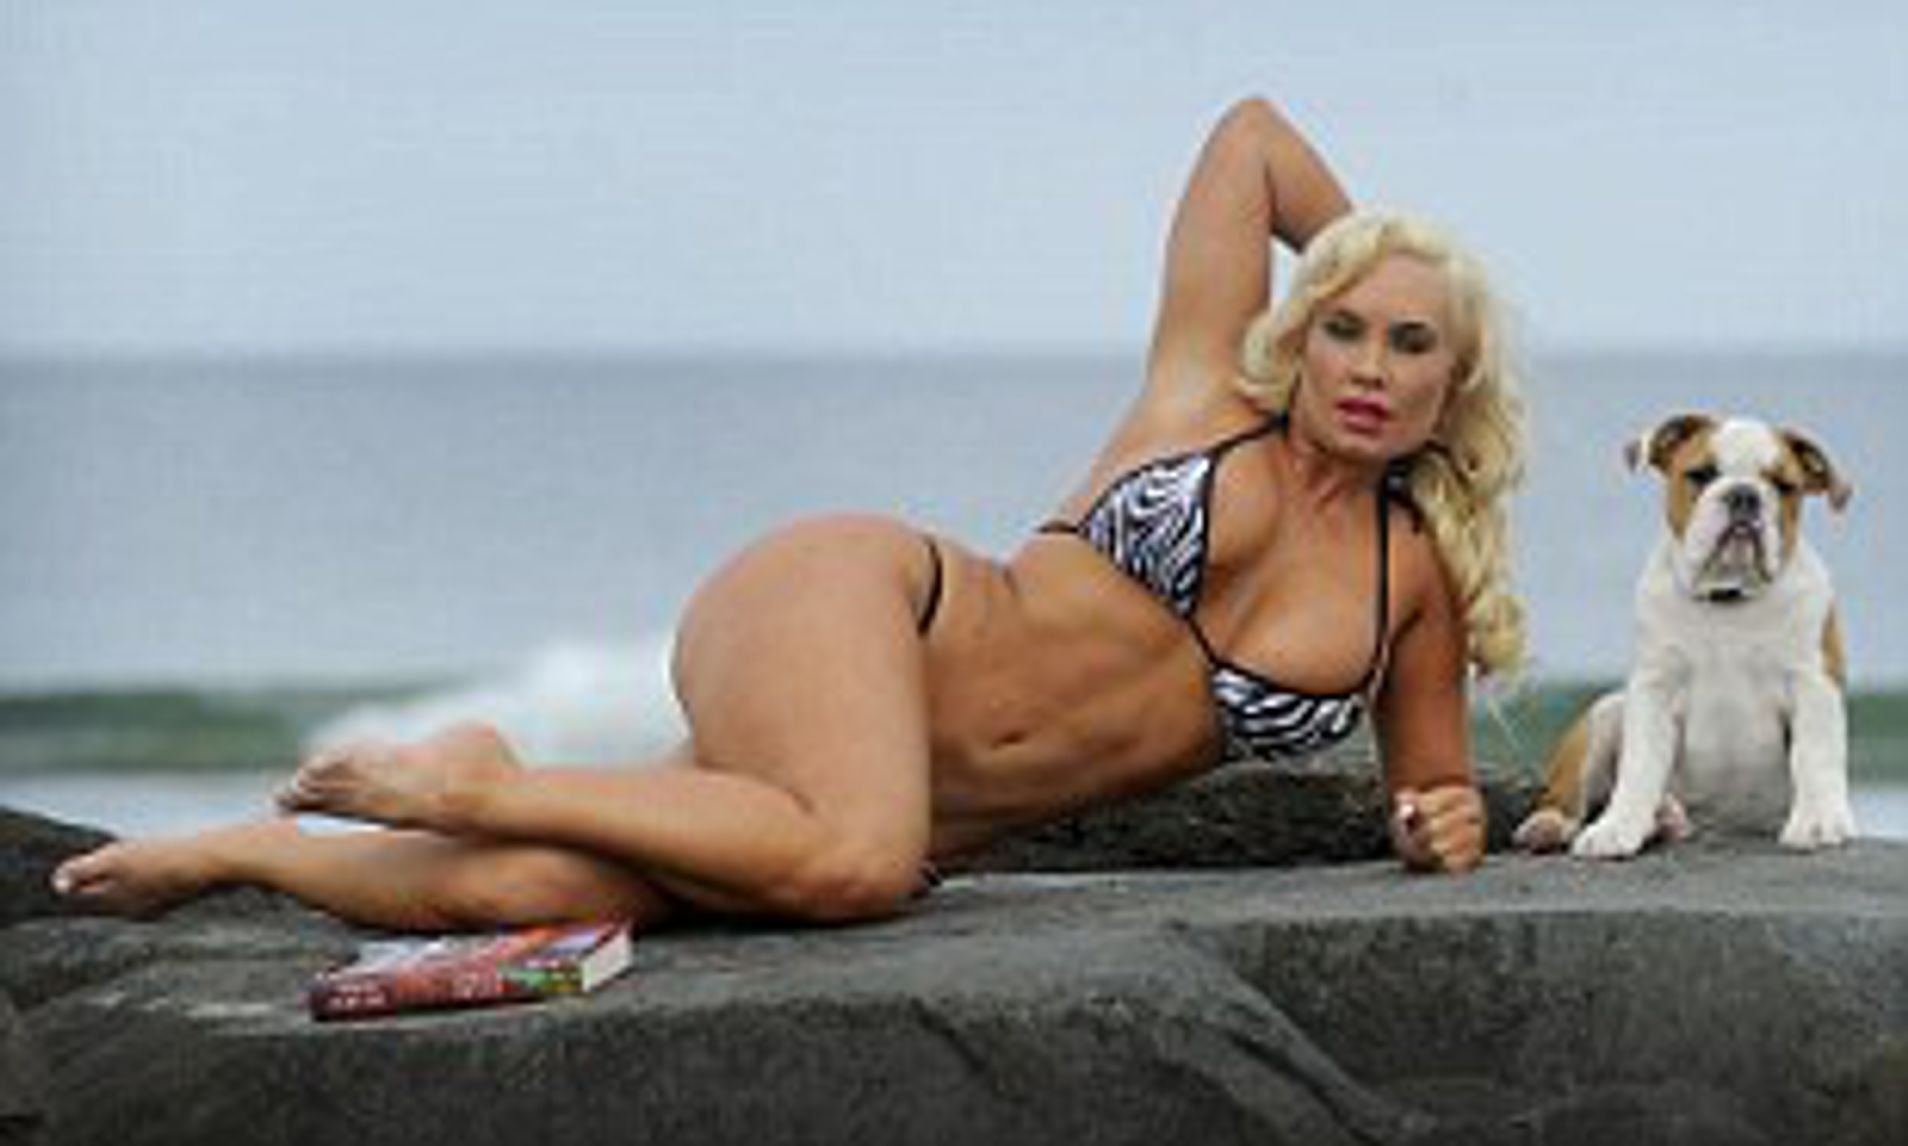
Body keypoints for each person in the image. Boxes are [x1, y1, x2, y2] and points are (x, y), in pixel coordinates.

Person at [51, 95, 1526, 933]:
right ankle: (471, 782)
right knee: (855, 862)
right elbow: (1249, 139)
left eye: (1414, 345)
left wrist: (1439, 828)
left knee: (547, 891)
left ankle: (246, 848)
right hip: (864, 607)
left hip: (872, 799)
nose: (1371, 367)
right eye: (1348, 327)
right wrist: (1391, 253)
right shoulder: (1206, 396)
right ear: (1304, 332)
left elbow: (1429, 800)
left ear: (1454, 384)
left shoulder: (1412, 580)